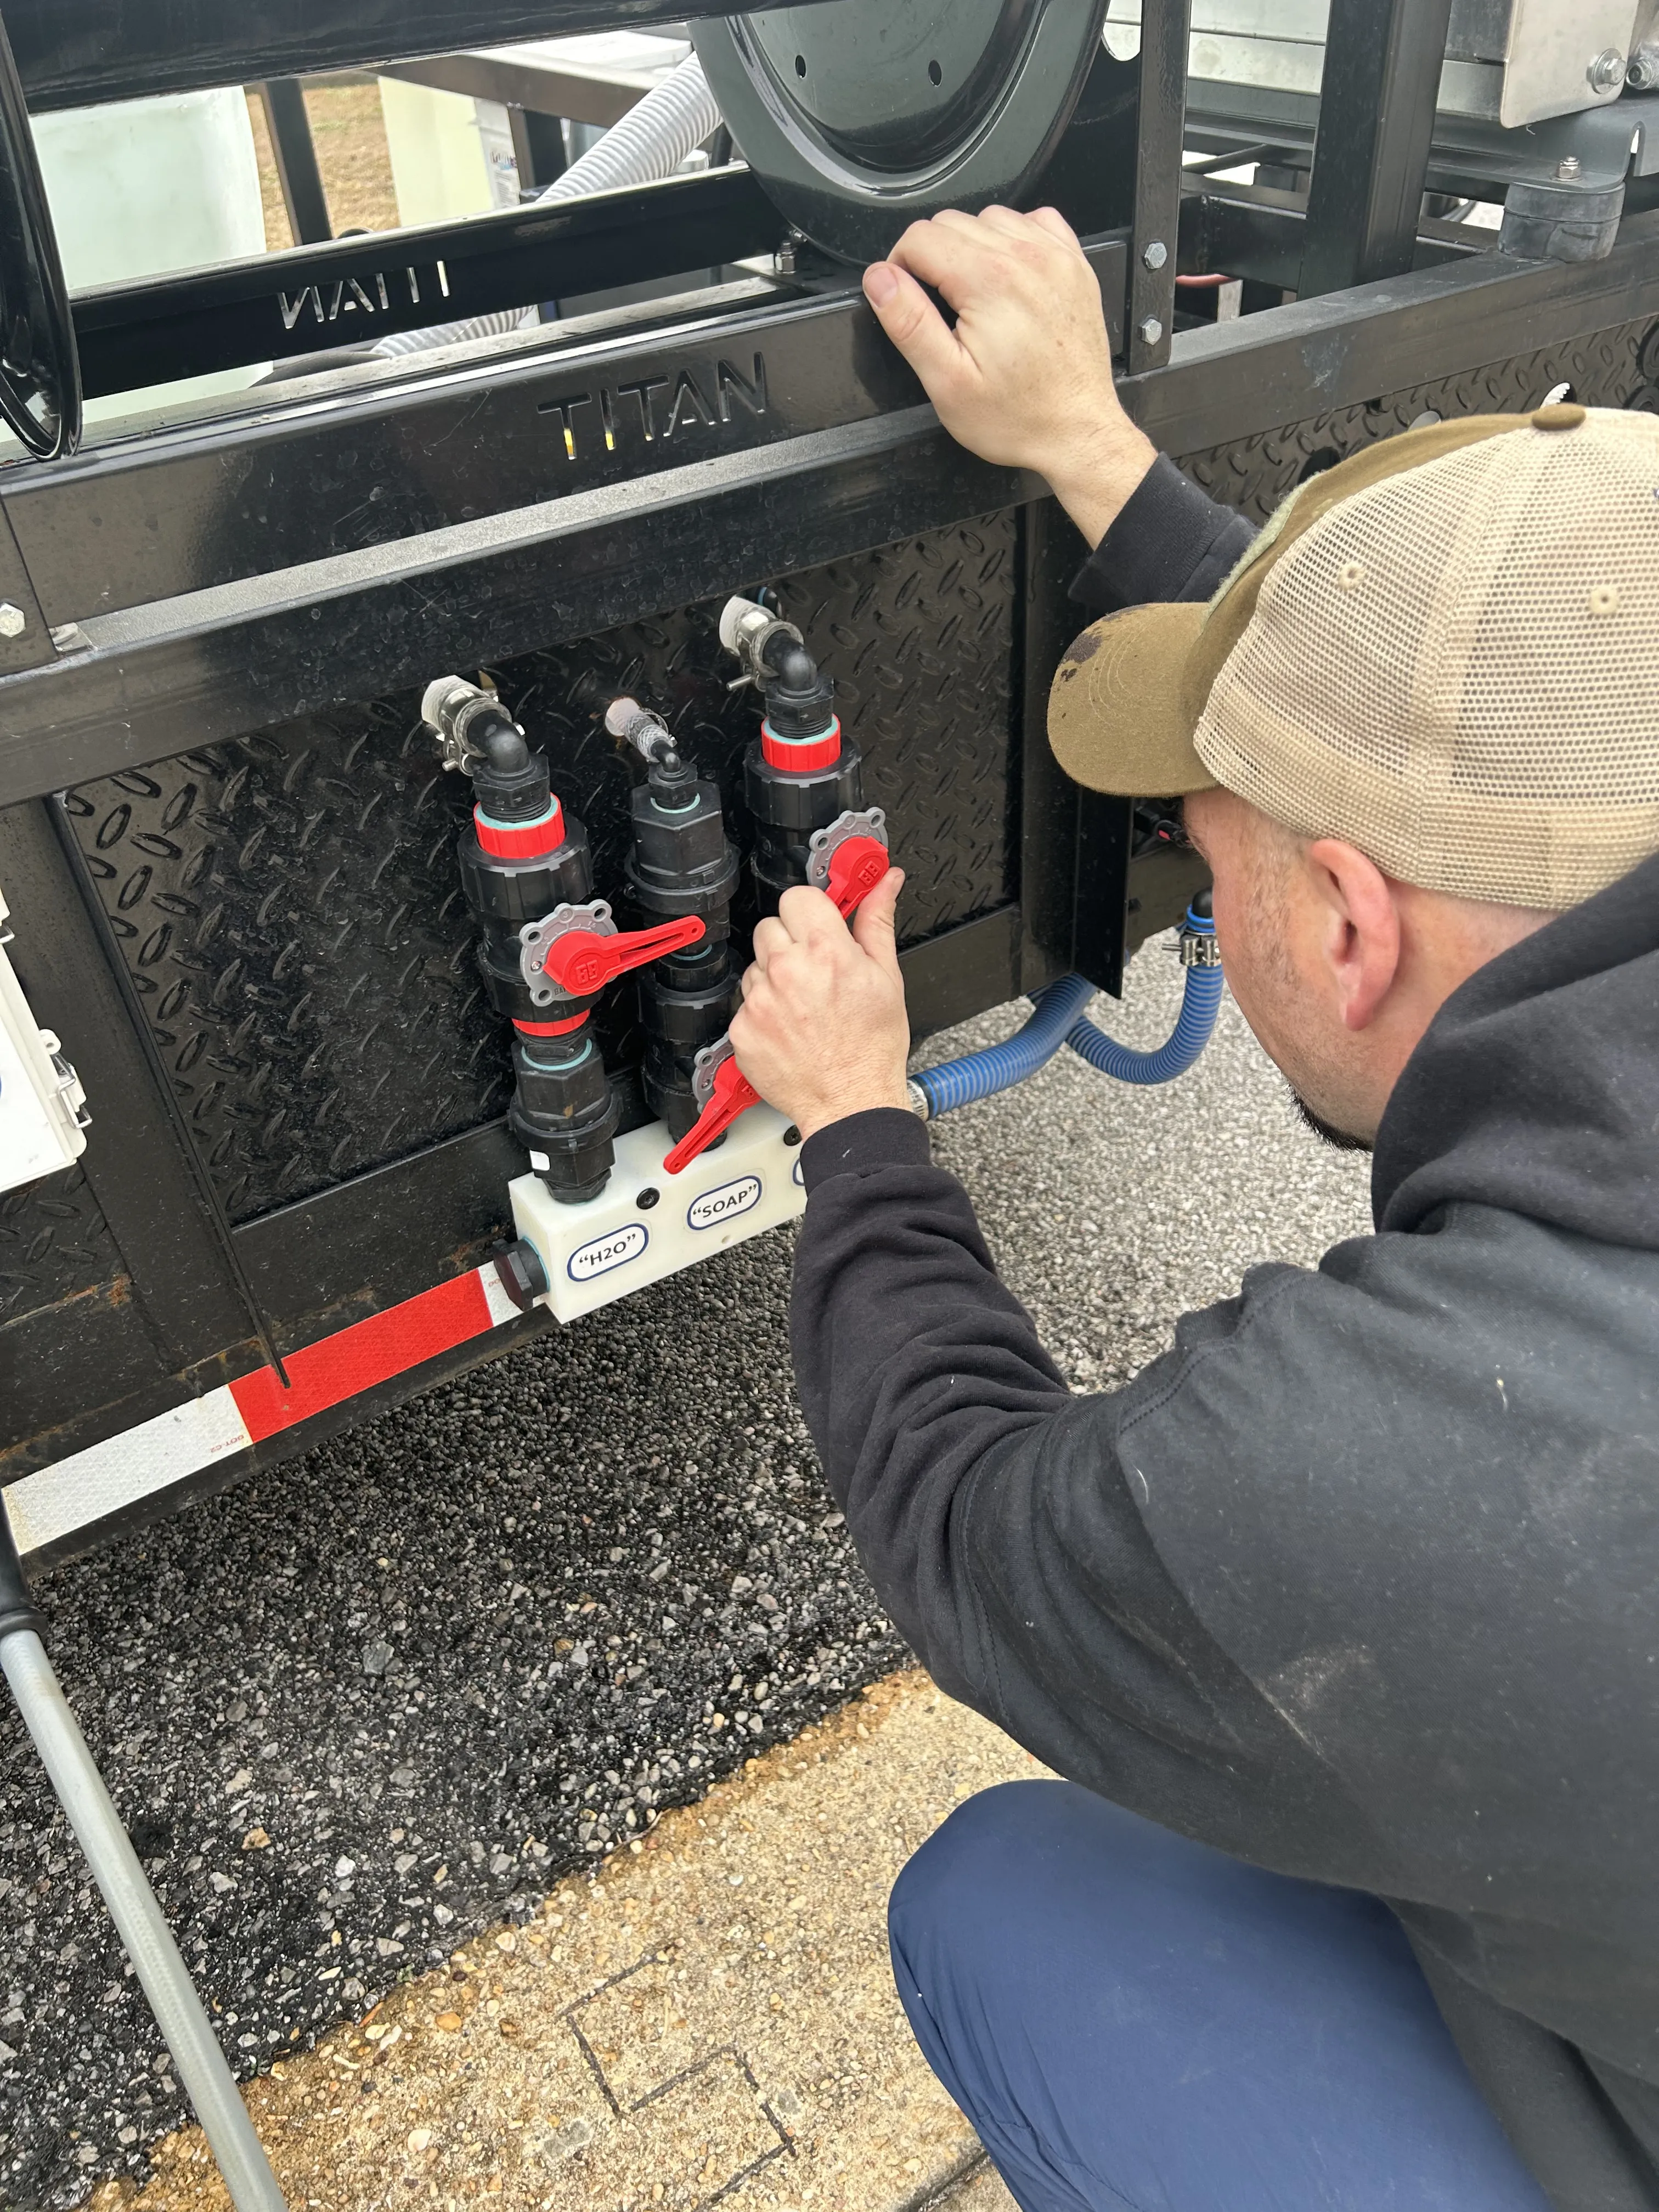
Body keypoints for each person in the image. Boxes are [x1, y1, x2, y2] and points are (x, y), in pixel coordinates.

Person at [725, 205, 1659, 2212]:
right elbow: (1482, 717)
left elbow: (979, 1522)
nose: (1191, 876)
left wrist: (862, 1128)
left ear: (1340, 919)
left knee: (1017, 1906)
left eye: (1200, 838)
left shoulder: (1435, 1452)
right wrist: (1090, 444)